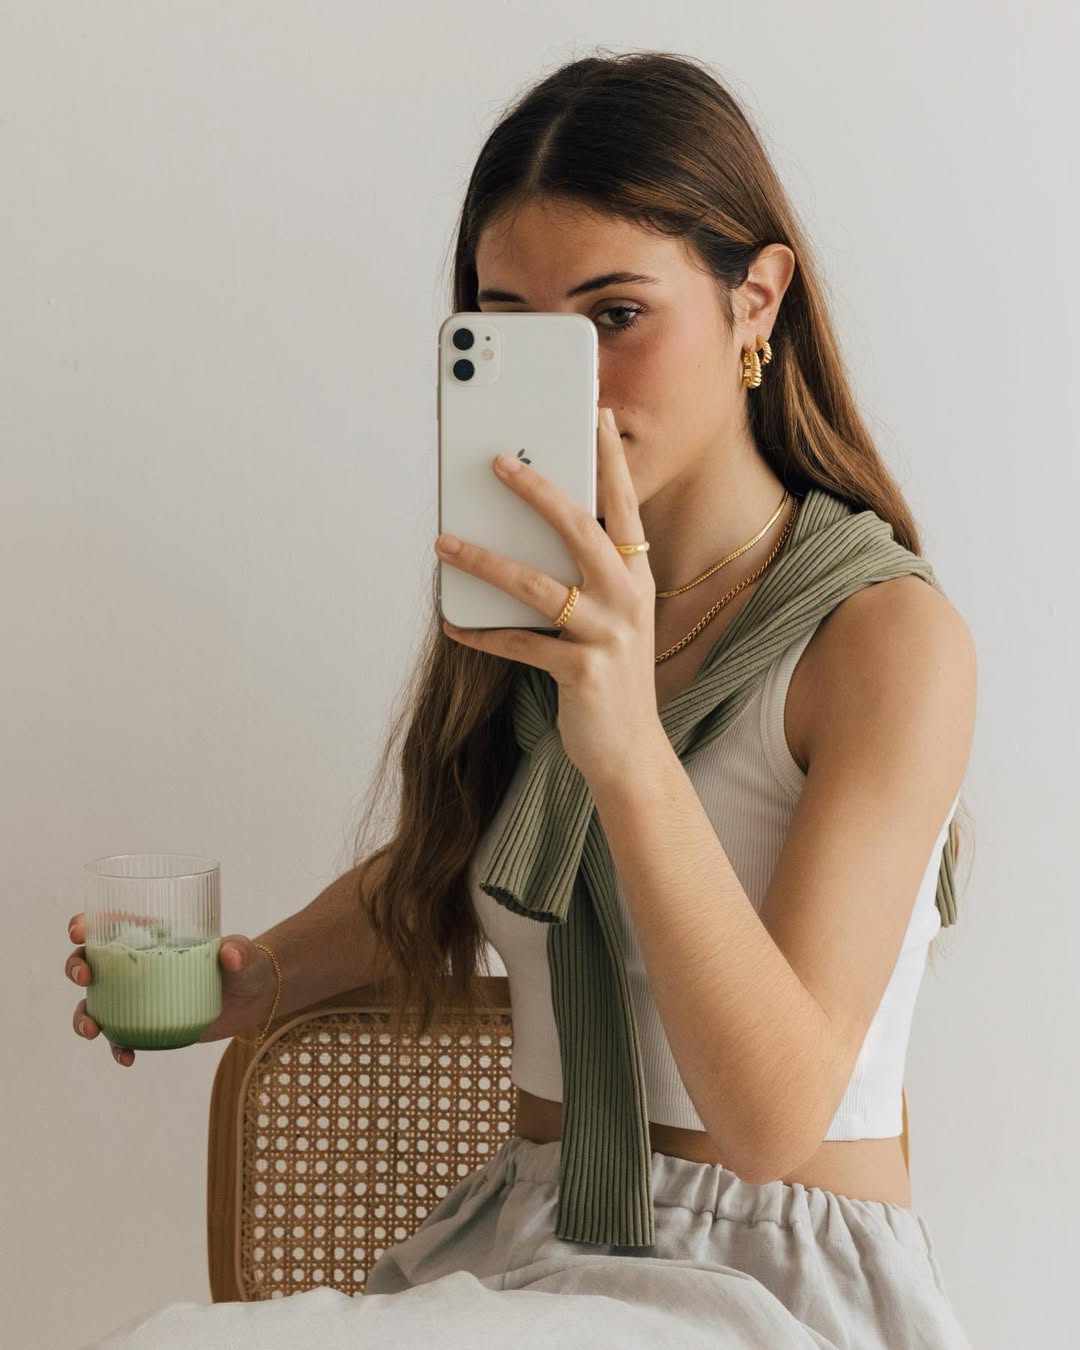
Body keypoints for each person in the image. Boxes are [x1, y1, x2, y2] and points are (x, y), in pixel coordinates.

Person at [67, 49, 976, 1350]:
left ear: (755, 302)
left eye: (616, 315)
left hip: (767, 1285)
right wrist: (253, 979)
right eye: (512, 329)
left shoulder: (883, 639)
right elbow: (471, 855)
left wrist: (627, 745)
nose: (573, 382)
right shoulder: (540, 593)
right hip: (533, 1258)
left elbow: (774, 1119)